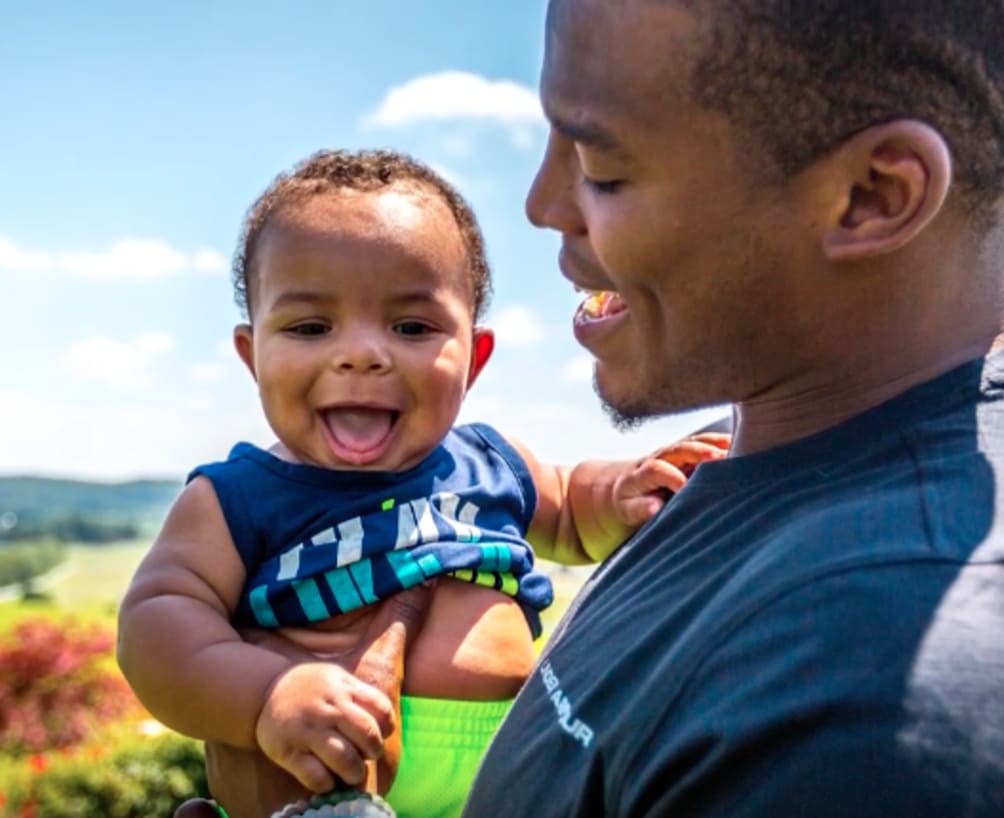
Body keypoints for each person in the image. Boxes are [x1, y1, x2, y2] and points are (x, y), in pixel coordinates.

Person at [455, 1, 1004, 816]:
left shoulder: (921, 715)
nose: (541, 203)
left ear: (873, 195)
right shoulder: (769, 470)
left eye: (603, 169)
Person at [115, 149, 728, 818]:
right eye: (311, 326)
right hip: (319, 785)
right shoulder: (237, 498)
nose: (362, 353)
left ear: (473, 359)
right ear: (251, 354)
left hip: (511, 778)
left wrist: (624, 491)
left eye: (411, 327)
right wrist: (267, 695)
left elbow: (575, 511)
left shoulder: (491, 462)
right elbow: (155, 627)